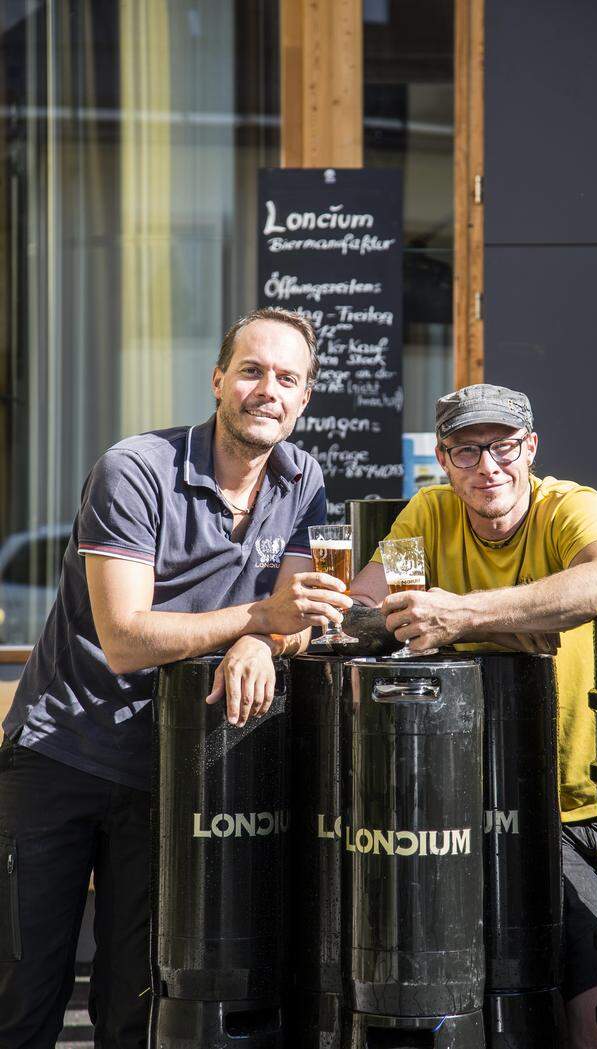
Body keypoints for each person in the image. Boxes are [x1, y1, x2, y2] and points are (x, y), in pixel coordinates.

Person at [0, 306, 351, 1049]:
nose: (268, 390)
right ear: (219, 378)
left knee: (137, 1006)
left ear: (306, 397)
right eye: (251, 370)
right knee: (23, 996)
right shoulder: (138, 468)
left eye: (288, 378)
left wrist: (267, 641)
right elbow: (125, 639)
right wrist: (260, 617)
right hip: (61, 755)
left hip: (171, 771)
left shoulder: (302, 478)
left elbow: (297, 615)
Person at [350, 383, 597, 1049]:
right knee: (548, 1008)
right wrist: (498, 628)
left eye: (504, 446)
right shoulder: (426, 515)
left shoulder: (566, 505)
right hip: (496, 810)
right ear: (443, 460)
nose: (489, 467)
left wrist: (464, 614)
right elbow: (359, 613)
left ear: (530, 448)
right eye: (466, 451)